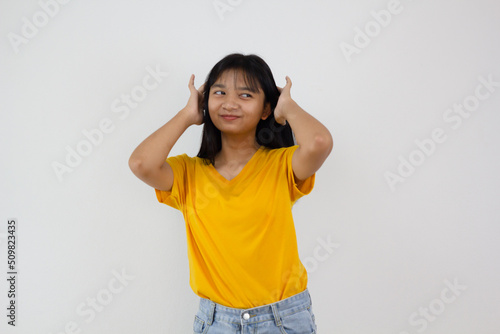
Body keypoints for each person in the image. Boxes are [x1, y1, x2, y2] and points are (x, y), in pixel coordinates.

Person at [128, 53, 333, 333]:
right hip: (216, 322)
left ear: (265, 109)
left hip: (282, 319)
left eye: (246, 95)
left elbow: (319, 143)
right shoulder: (189, 173)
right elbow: (141, 163)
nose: (230, 103)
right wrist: (187, 115)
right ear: (205, 102)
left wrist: (287, 107)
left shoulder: (283, 164)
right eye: (220, 92)